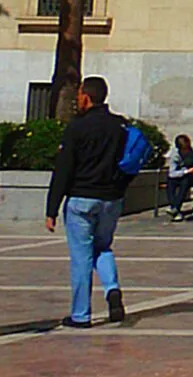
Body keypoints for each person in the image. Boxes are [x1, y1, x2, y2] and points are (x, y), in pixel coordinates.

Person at [44, 76, 129, 328]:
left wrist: (51, 208)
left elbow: (64, 169)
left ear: (86, 96)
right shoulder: (119, 127)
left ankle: (81, 314)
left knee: (81, 257)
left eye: (80, 94)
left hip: (81, 198)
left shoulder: (77, 128)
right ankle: (112, 288)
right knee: (103, 247)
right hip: (110, 199)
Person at [164, 134, 193, 220]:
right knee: (170, 185)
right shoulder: (174, 156)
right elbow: (172, 173)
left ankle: (175, 208)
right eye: (184, 150)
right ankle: (175, 208)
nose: (186, 152)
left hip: (189, 177)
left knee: (184, 184)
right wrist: (186, 171)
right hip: (179, 174)